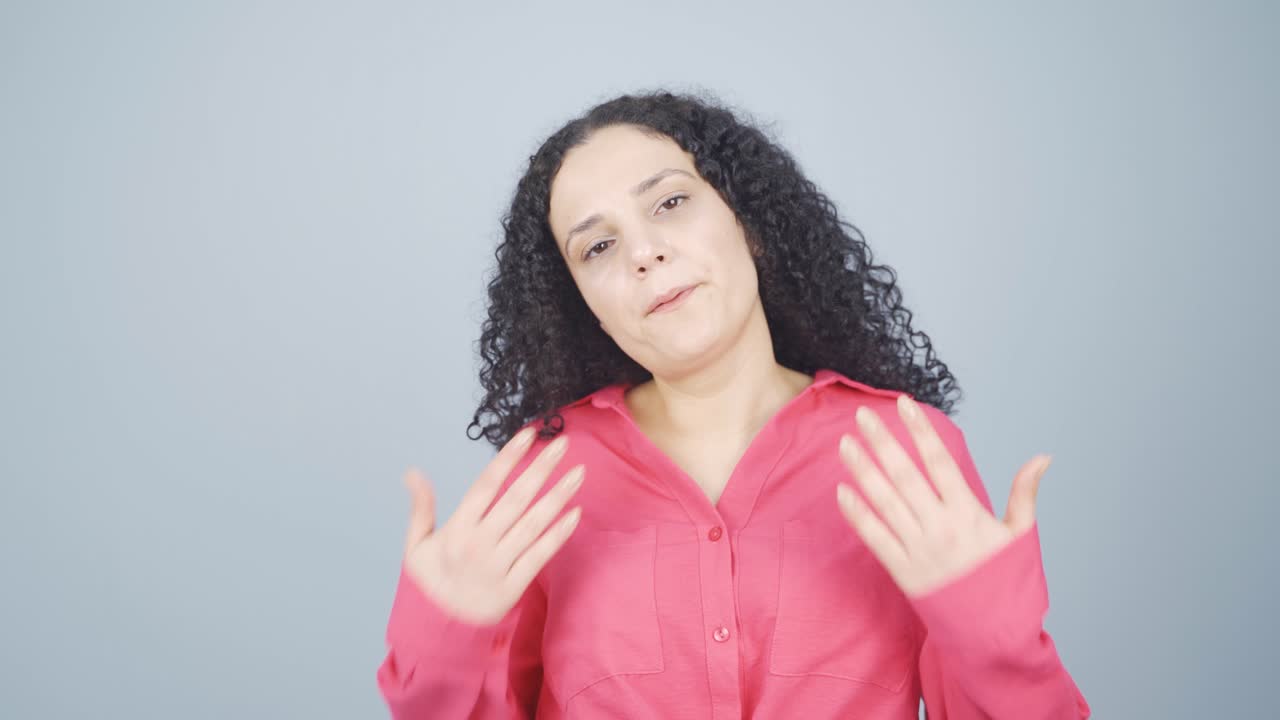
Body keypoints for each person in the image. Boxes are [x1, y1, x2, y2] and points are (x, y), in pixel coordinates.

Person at [375, 89, 1091, 719]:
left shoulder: (899, 446)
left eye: (671, 203)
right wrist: (445, 645)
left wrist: (989, 631)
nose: (643, 254)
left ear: (746, 221)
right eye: (597, 247)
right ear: (582, 303)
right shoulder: (543, 475)